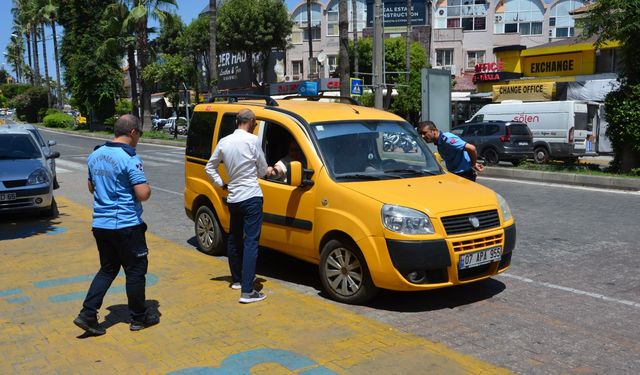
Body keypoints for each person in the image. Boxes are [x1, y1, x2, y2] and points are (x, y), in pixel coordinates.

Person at [74, 115, 158, 336]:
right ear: (132, 133)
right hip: (127, 225)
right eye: (139, 134)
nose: (139, 138)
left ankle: (87, 314)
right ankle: (138, 318)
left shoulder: (95, 155)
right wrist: (147, 187)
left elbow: (91, 187)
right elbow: (142, 193)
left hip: (101, 224)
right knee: (135, 271)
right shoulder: (129, 158)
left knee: (108, 269)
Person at [205, 108, 269, 304]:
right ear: (250, 121)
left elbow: (210, 167)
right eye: (255, 123)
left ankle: (237, 280)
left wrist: (221, 184)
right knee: (251, 242)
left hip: (233, 198)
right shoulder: (252, 140)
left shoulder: (224, 142)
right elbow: (263, 169)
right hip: (251, 196)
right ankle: (248, 291)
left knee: (234, 238)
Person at [418, 120, 484, 181]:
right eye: (421, 134)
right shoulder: (440, 142)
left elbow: (472, 148)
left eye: (424, 133)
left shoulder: (447, 139)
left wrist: (473, 164)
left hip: (463, 175)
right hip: (456, 174)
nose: (423, 136)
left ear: (434, 130)